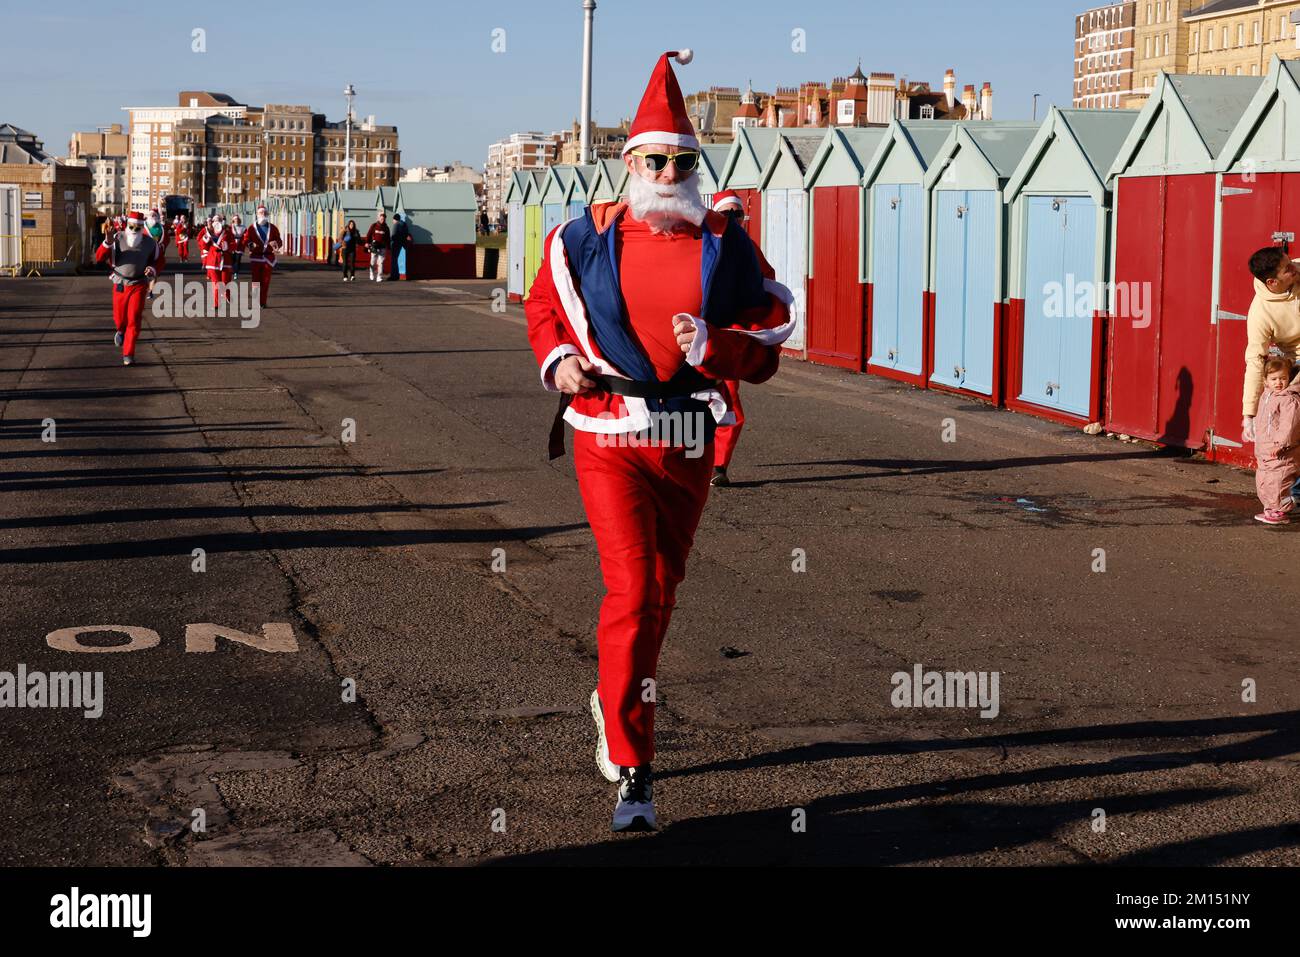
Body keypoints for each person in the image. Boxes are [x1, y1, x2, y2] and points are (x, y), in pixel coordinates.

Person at [525, 49, 794, 832]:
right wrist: (559, 360)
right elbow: (545, 307)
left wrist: (718, 347)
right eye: (654, 157)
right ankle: (635, 767)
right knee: (635, 586)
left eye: (682, 158)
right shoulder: (583, 239)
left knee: (663, 590)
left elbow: (767, 343)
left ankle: (615, 697)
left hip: (686, 432)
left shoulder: (725, 245)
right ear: (629, 161)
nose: (668, 168)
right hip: (606, 429)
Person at [94, 210, 156, 366]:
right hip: (120, 283)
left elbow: (158, 260)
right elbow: (99, 258)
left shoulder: (150, 243)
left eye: (137, 228)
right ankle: (120, 330)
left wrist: (152, 269)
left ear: (142, 228)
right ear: (127, 225)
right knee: (120, 318)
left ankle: (128, 354)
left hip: (139, 284)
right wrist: (107, 242)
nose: (134, 230)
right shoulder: (117, 238)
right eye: (131, 226)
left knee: (134, 319)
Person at [1253, 356, 1300, 525]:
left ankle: (1282, 508)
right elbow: (1262, 420)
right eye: (1274, 379)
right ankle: (1271, 506)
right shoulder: (1268, 395)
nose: (1279, 382)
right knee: (1264, 478)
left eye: (1283, 378)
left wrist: (1281, 443)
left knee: (1279, 479)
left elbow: (1290, 425)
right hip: (1264, 448)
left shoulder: (1289, 399)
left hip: (1282, 449)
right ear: (1266, 380)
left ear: (1289, 378)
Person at [242, 204, 282, 308]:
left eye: (264, 213)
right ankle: (256, 302)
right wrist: (250, 244)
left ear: (267, 214)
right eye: (260, 212)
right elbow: (245, 240)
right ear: (257, 214)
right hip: (256, 257)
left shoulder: (273, 228)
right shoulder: (251, 228)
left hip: (268, 258)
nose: (262, 214)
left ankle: (263, 302)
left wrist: (276, 243)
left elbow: (279, 240)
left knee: (265, 281)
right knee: (256, 281)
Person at [198, 213, 234, 309]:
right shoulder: (209, 233)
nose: (217, 222)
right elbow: (203, 246)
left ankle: (227, 294)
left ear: (221, 222)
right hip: (213, 260)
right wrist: (206, 239)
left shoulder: (227, 233)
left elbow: (233, 244)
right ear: (212, 223)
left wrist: (228, 246)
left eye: (219, 220)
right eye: (215, 221)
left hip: (225, 260)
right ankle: (216, 304)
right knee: (216, 283)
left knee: (225, 281)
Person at [144, 209, 167, 300]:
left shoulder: (161, 227)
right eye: (151, 215)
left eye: (154, 215)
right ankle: (145, 289)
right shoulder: (143, 226)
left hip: (157, 253)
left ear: (157, 217)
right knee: (144, 273)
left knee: (154, 273)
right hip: (145, 253)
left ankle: (151, 291)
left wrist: (162, 246)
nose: (152, 216)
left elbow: (166, 240)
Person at [365, 212, 391, 282]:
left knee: (380, 262)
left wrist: (389, 248)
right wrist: (367, 242)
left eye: (384, 219)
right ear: (379, 218)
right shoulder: (374, 225)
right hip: (374, 246)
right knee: (373, 261)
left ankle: (379, 276)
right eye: (381, 218)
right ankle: (371, 272)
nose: (382, 220)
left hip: (382, 247)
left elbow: (388, 238)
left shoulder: (386, 228)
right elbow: (369, 234)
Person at [389, 212, 411, 280]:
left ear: (395, 219)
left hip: (396, 244)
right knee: (396, 259)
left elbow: (393, 235)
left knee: (393, 260)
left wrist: (391, 242)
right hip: (402, 244)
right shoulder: (404, 225)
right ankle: (397, 275)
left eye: (393, 220)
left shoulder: (396, 224)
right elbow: (407, 233)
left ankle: (394, 276)